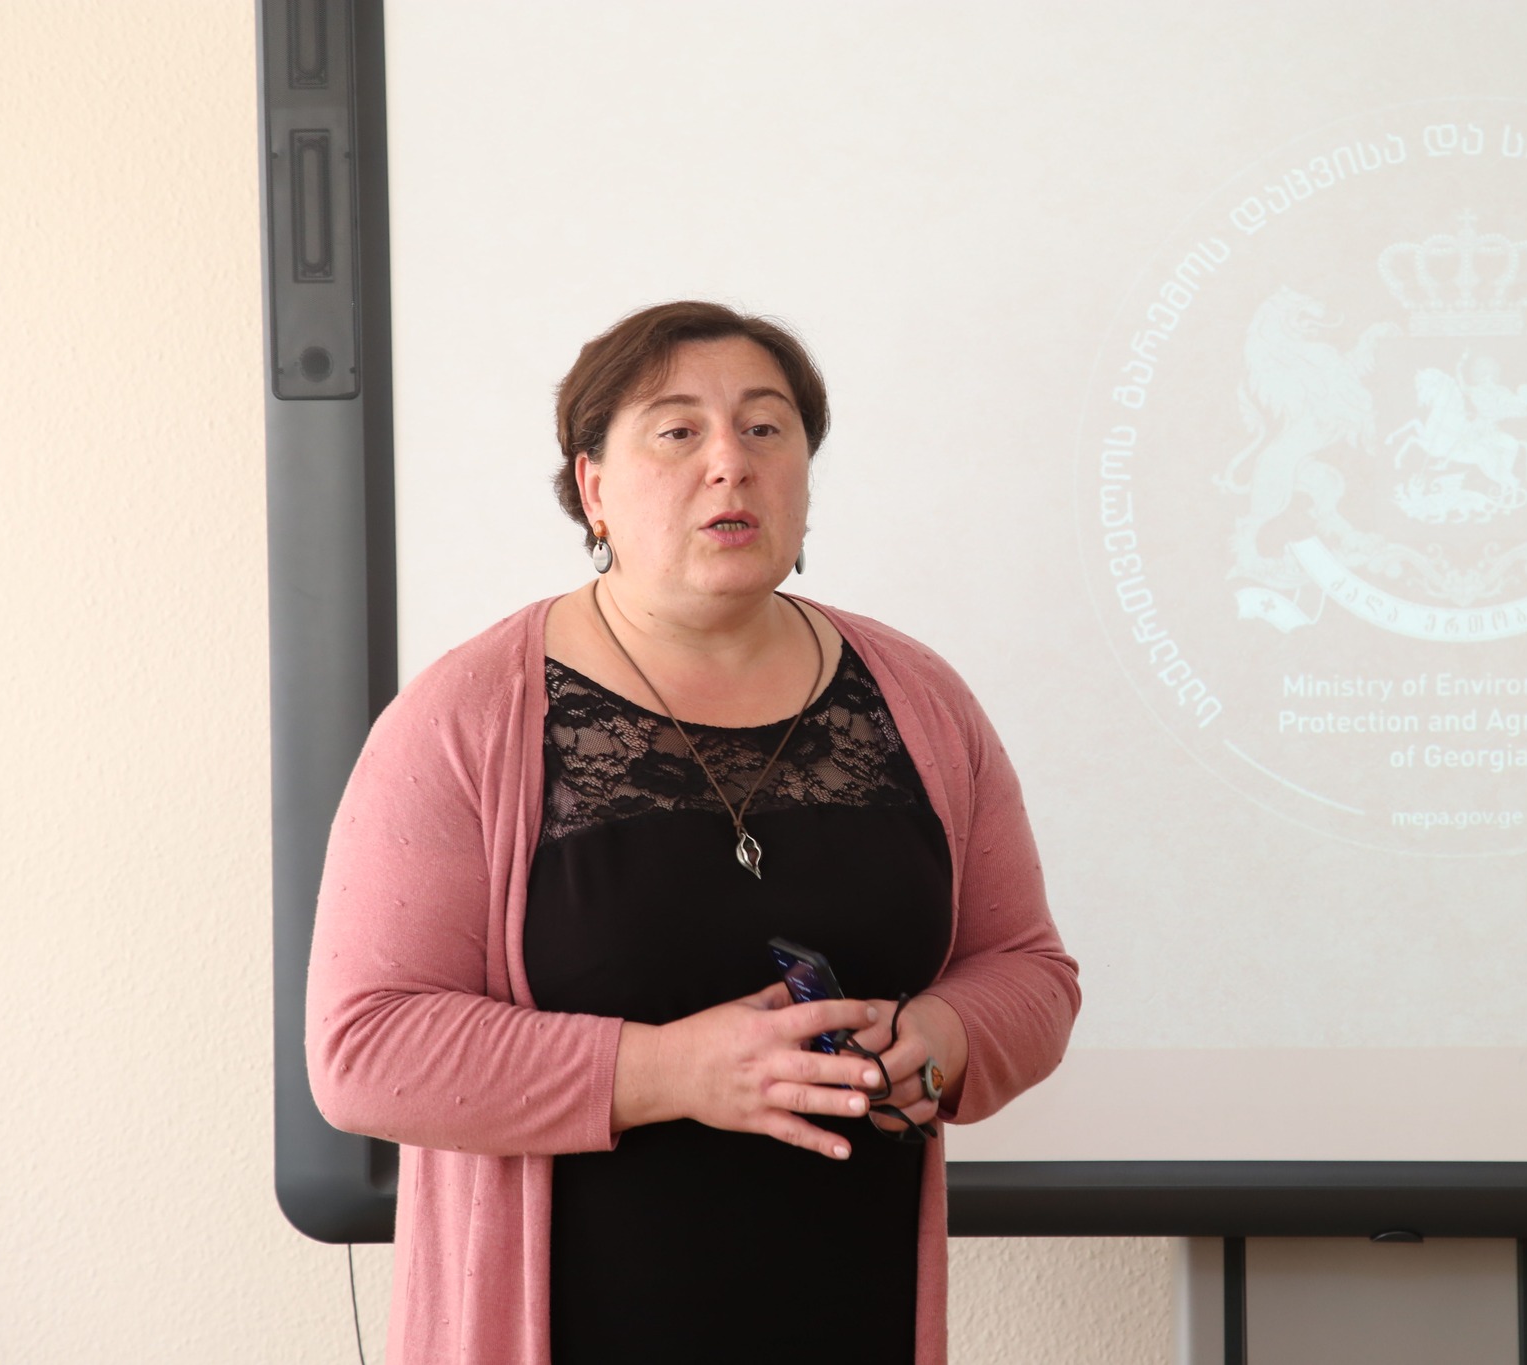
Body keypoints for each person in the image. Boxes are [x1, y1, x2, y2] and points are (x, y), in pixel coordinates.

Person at [305, 300, 1080, 1365]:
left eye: (765, 428)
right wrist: (670, 1070)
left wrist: (941, 1040)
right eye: (678, 431)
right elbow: (365, 1047)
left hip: (850, 1315)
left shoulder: (919, 699)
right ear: (593, 487)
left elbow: (1029, 972)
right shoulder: (466, 715)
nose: (731, 463)